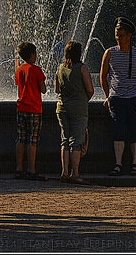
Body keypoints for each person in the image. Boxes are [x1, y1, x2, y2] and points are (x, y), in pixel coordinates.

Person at [99, 17, 136, 177]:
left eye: (121, 35)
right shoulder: (109, 53)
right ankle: (118, 164)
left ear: (129, 35)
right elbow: (103, 76)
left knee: (135, 131)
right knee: (118, 130)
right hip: (116, 97)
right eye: (116, 34)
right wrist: (107, 96)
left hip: (134, 97)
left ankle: (135, 164)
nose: (118, 38)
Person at [54, 40, 93, 184]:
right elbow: (90, 89)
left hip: (62, 107)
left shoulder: (60, 68)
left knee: (64, 140)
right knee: (76, 142)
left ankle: (64, 172)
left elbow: (57, 89)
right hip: (79, 108)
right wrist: (83, 99)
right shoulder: (82, 68)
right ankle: (75, 173)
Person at [14, 41, 47, 181]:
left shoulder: (19, 69)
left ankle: (19, 169)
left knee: (21, 138)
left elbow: (18, 84)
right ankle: (31, 170)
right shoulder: (36, 70)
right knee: (32, 140)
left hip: (21, 107)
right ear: (32, 54)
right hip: (34, 108)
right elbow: (43, 89)